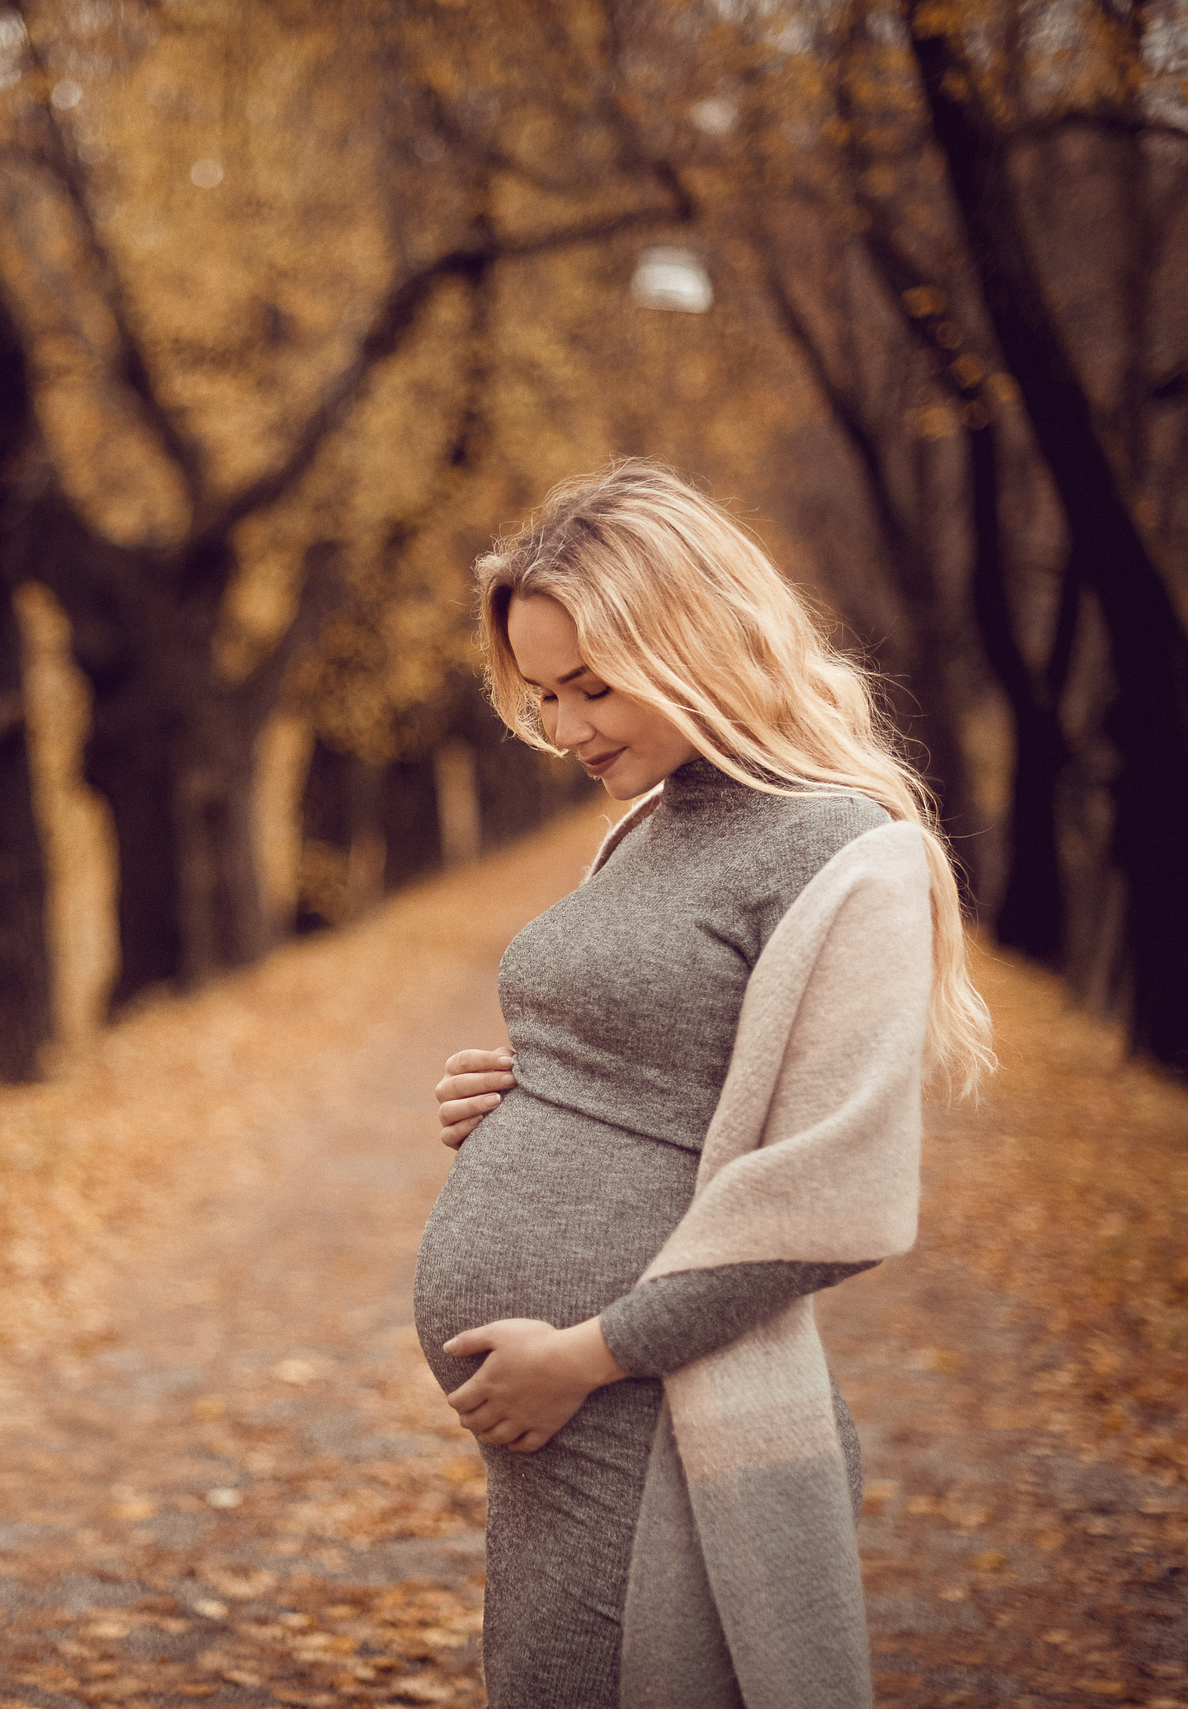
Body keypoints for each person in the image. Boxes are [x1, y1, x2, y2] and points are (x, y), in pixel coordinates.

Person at [413, 461, 993, 1709]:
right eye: (543, 691)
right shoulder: (656, 815)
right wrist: (516, 1093)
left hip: (653, 1415)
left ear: (695, 644)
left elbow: (838, 1191)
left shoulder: (848, 852)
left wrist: (588, 1352)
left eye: (590, 686)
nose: (564, 727)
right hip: (568, 1437)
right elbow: (654, 1066)